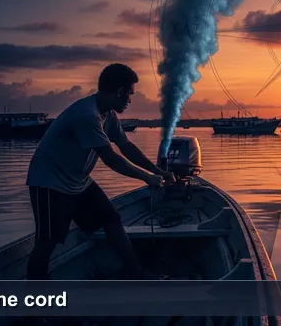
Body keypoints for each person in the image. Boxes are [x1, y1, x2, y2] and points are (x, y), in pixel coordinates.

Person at [25, 63, 175, 280]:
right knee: (47, 241)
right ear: (119, 92)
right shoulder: (87, 116)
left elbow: (126, 147)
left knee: (111, 219)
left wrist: (157, 171)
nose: (130, 100)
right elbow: (111, 158)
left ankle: (136, 273)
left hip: (78, 181)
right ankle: (33, 305)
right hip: (50, 182)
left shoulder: (108, 115)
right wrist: (146, 178)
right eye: (129, 94)